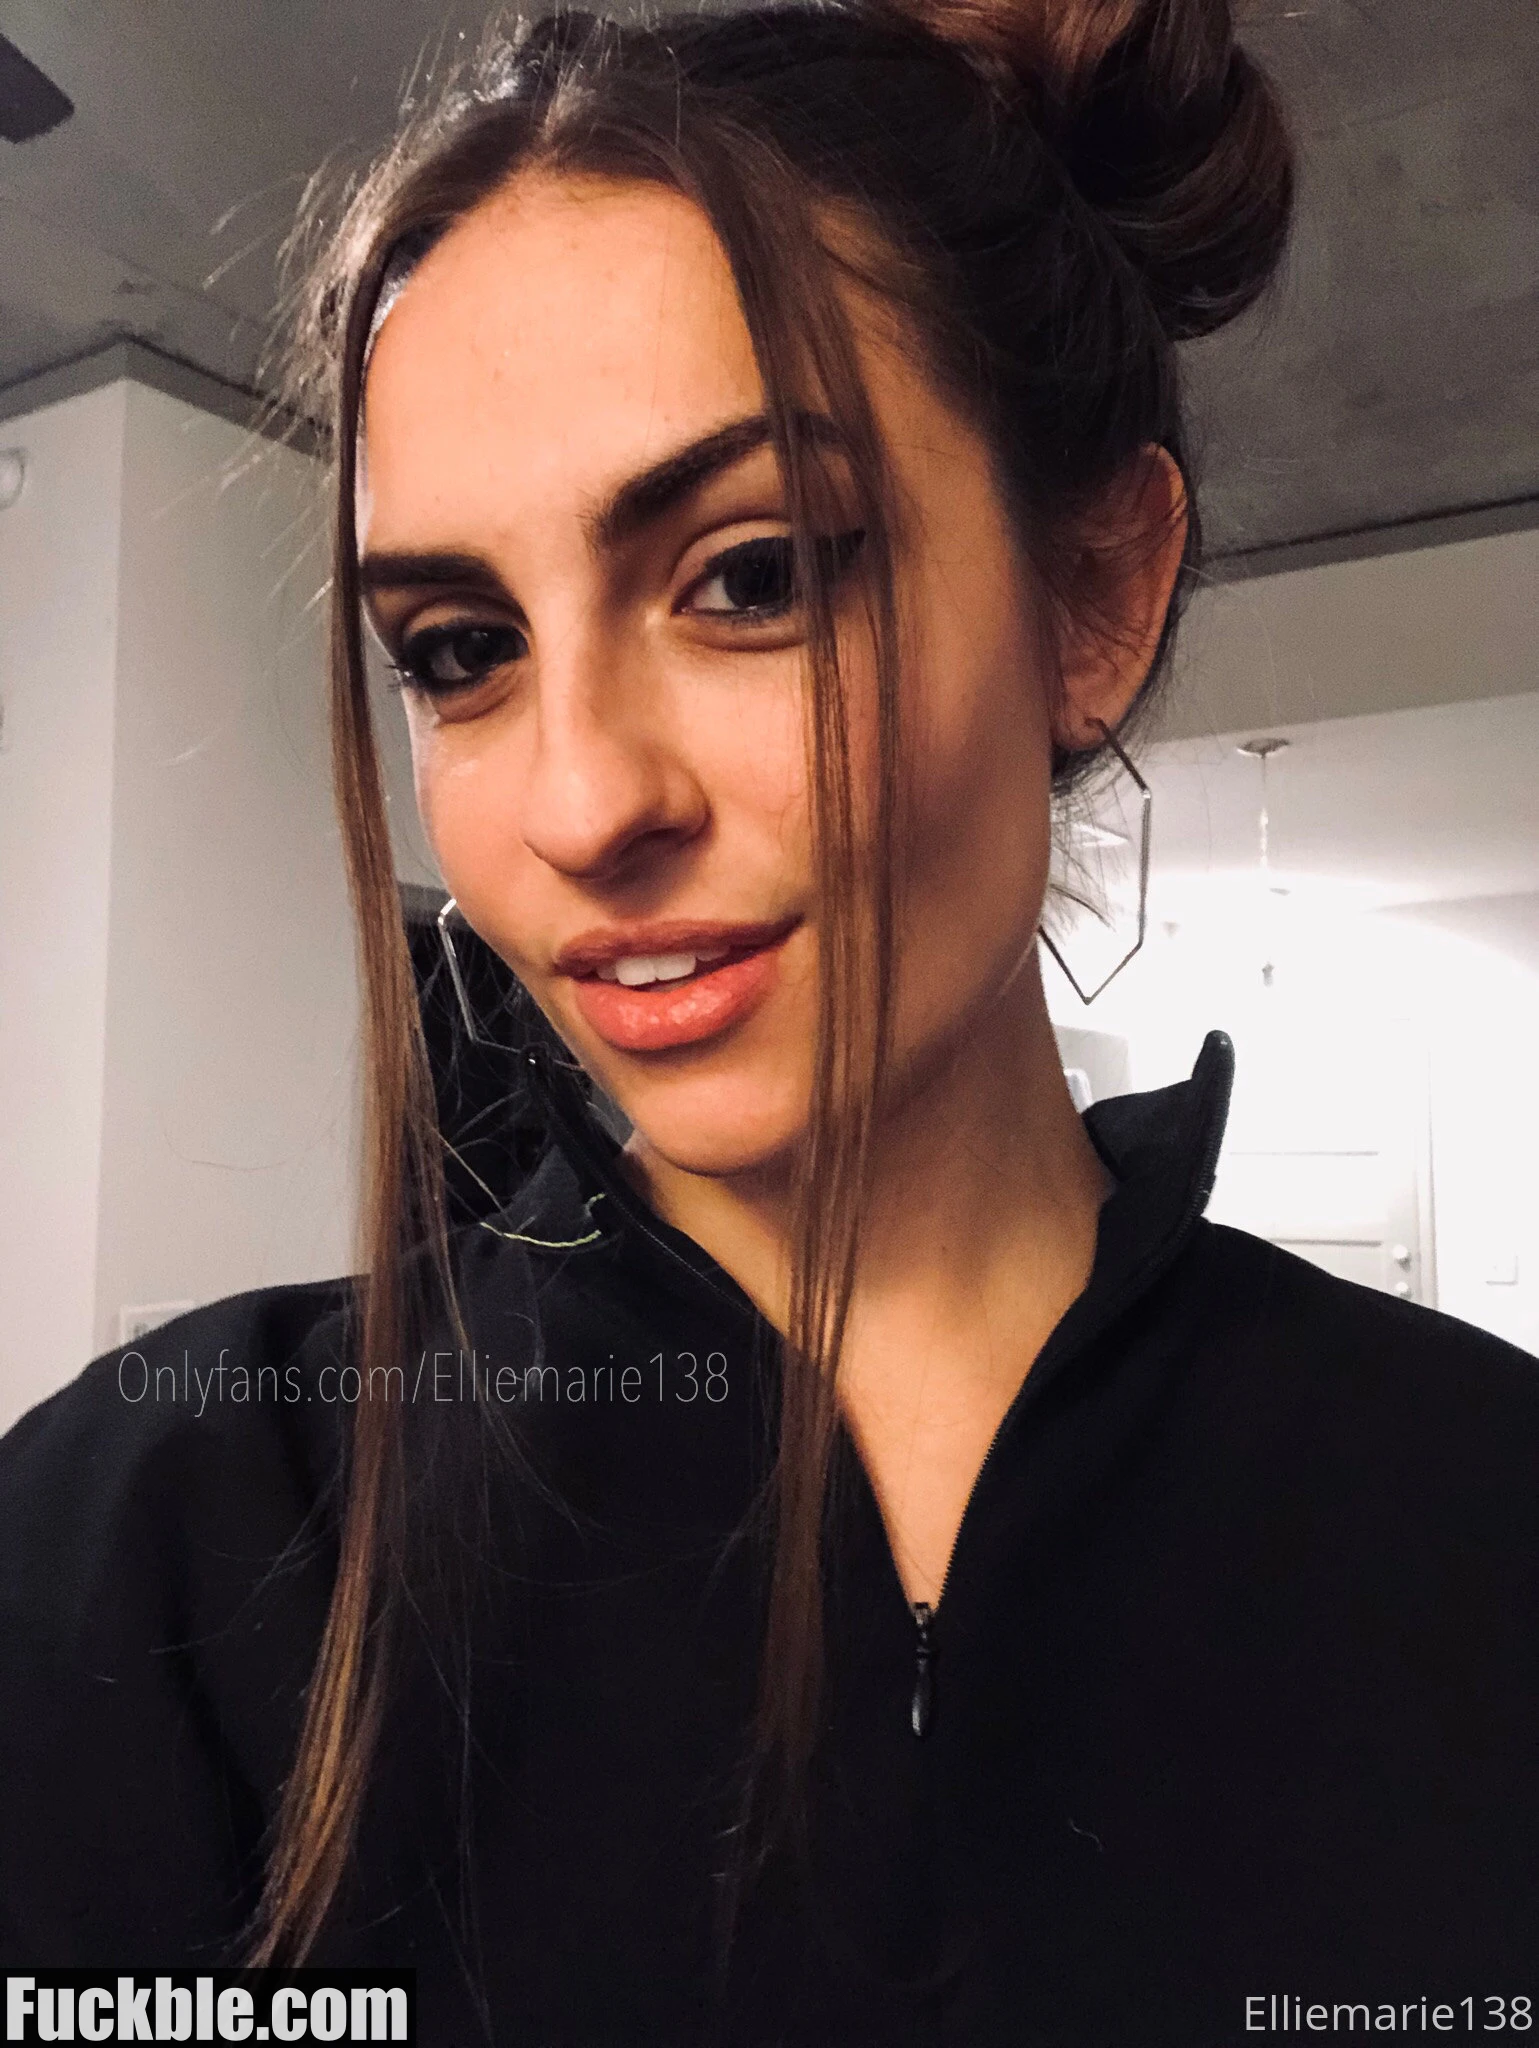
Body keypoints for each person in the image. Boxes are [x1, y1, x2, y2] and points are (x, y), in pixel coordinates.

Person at [3, 1, 1537, 2040]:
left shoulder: (1477, 1518)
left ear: (1093, 593)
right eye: (458, 650)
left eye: (749, 578)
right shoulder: (154, 1542)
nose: (578, 805)